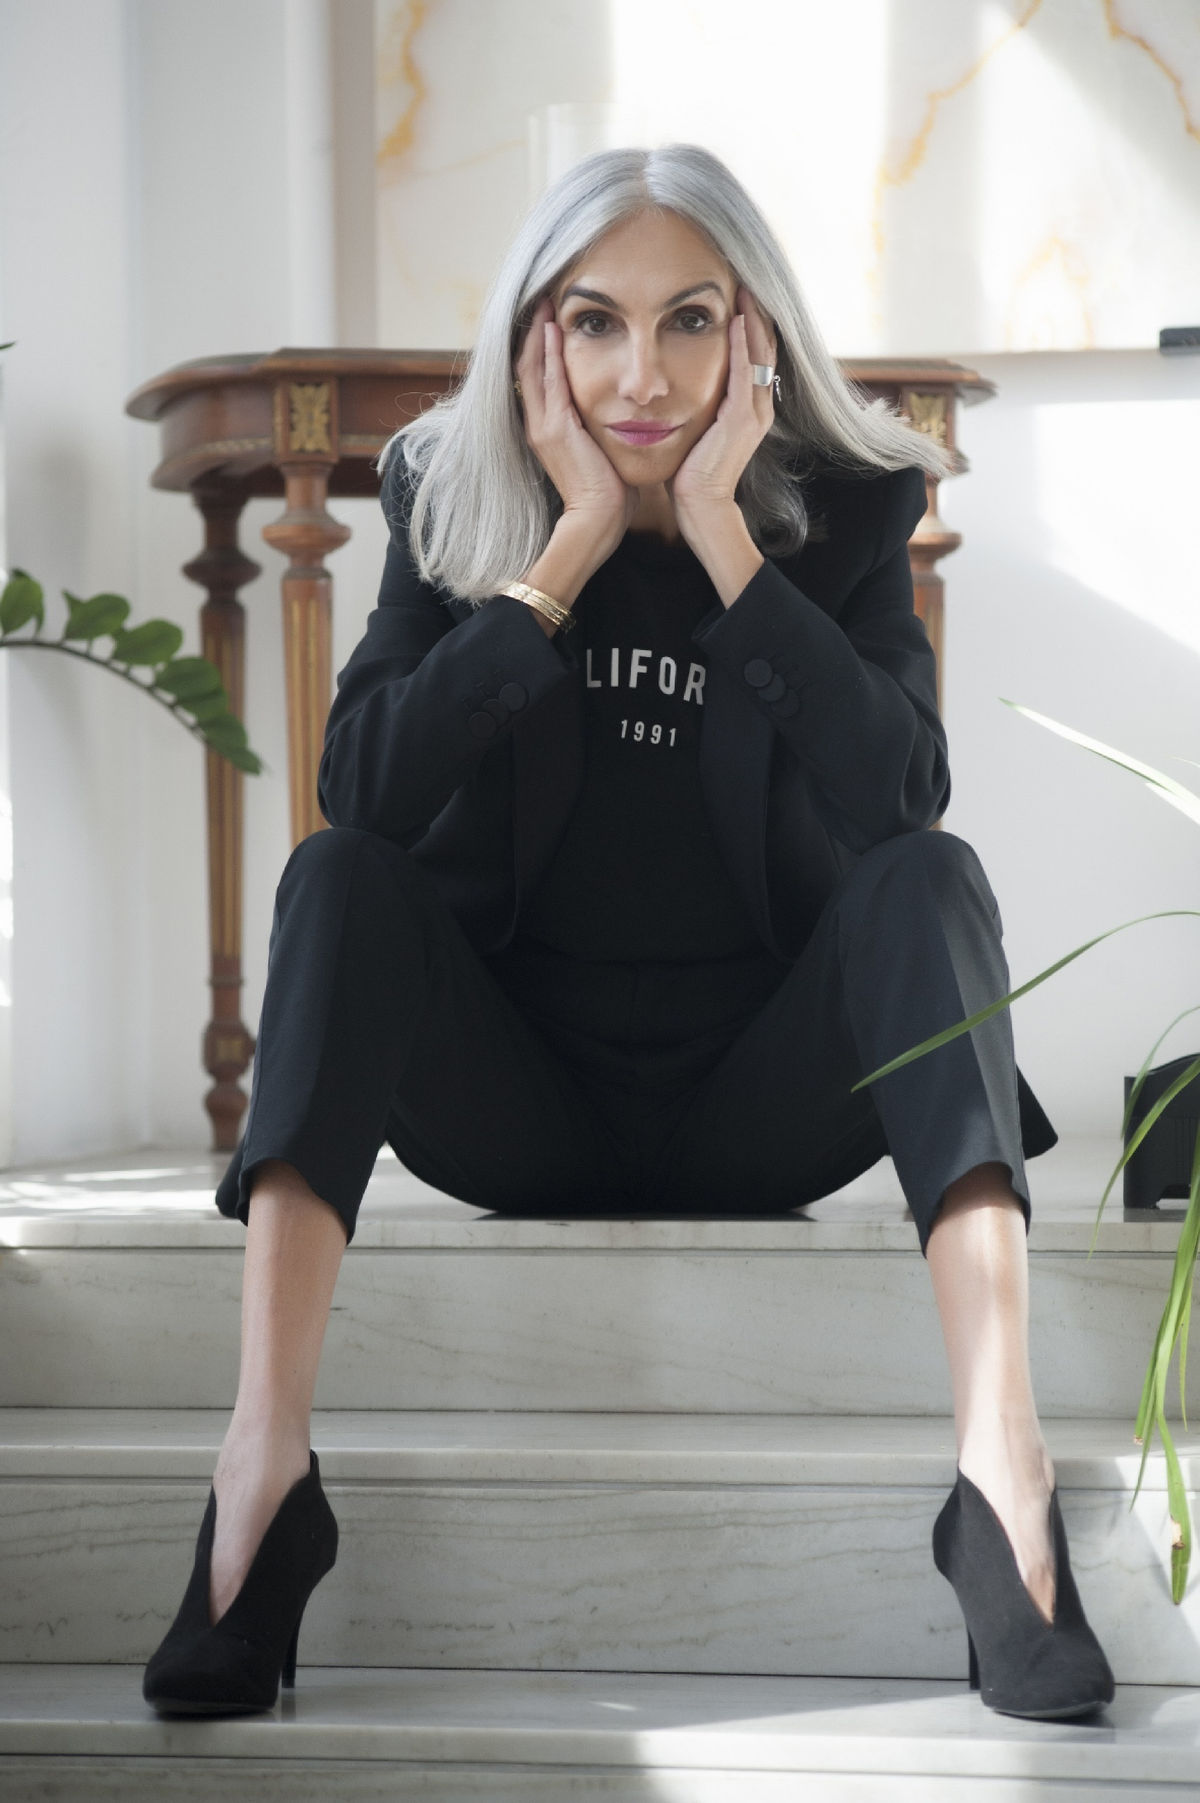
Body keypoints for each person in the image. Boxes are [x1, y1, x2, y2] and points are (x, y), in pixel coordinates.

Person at [143, 143, 1114, 1722]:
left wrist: (724, 536)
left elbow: (899, 794)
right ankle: (260, 1478)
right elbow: (365, 789)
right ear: (537, 335)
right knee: (338, 877)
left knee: (927, 881)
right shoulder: (446, 491)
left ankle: (1002, 1480)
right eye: (596, 321)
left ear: (754, 335)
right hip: (515, 1101)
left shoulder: (852, 505)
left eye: (688, 321)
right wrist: (564, 552)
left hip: (759, 1107)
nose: (641, 375)